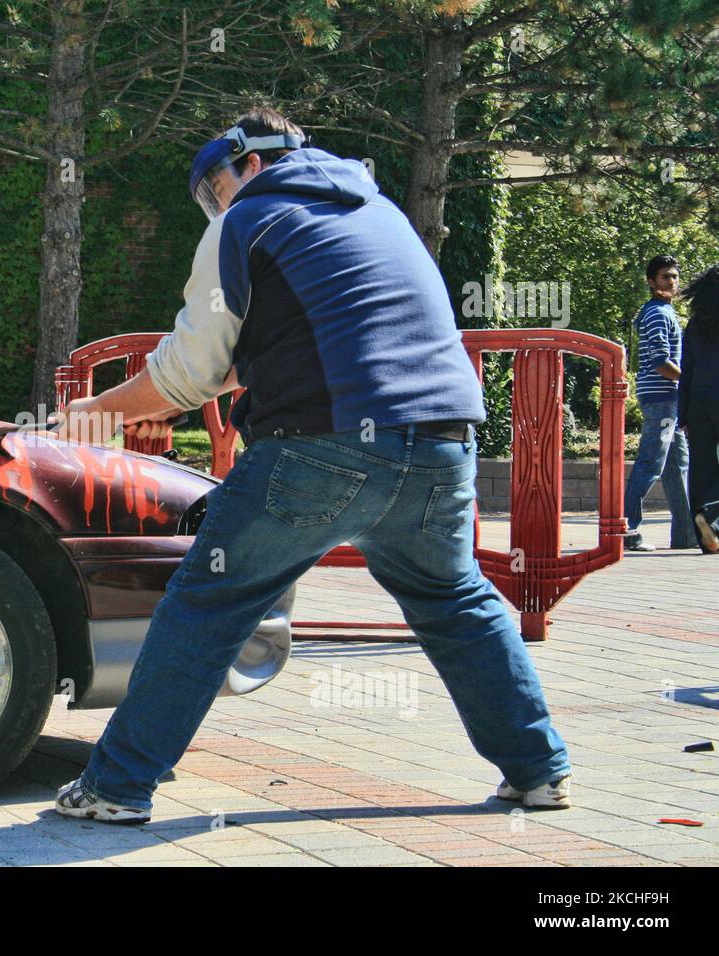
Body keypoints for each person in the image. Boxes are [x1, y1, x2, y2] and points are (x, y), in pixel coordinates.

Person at [51, 106, 571, 824]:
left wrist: (95, 412)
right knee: (457, 602)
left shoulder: (248, 221)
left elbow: (188, 373)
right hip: (444, 441)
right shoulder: (381, 214)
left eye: (215, 188)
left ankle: (115, 787)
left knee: (209, 603)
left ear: (250, 163)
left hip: (323, 445)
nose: (216, 206)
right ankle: (539, 771)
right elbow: (315, 333)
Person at [623, 255, 692, 551]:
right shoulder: (658, 315)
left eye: (674, 277)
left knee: (678, 468)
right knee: (650, 463)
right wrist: (689, 382)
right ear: (651, 282)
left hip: (667, 399)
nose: (672, 282)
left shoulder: (662, 311)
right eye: (665, 277)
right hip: (662, 399)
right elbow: (661, 361)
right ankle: (628, 531)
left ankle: (687, 536)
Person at [678, 265, 719, 553]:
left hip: (698, 403)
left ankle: (707, 539)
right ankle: (712, 518)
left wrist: (683, 414)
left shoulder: (695, 324)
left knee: (701, 469)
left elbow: (686, 371)